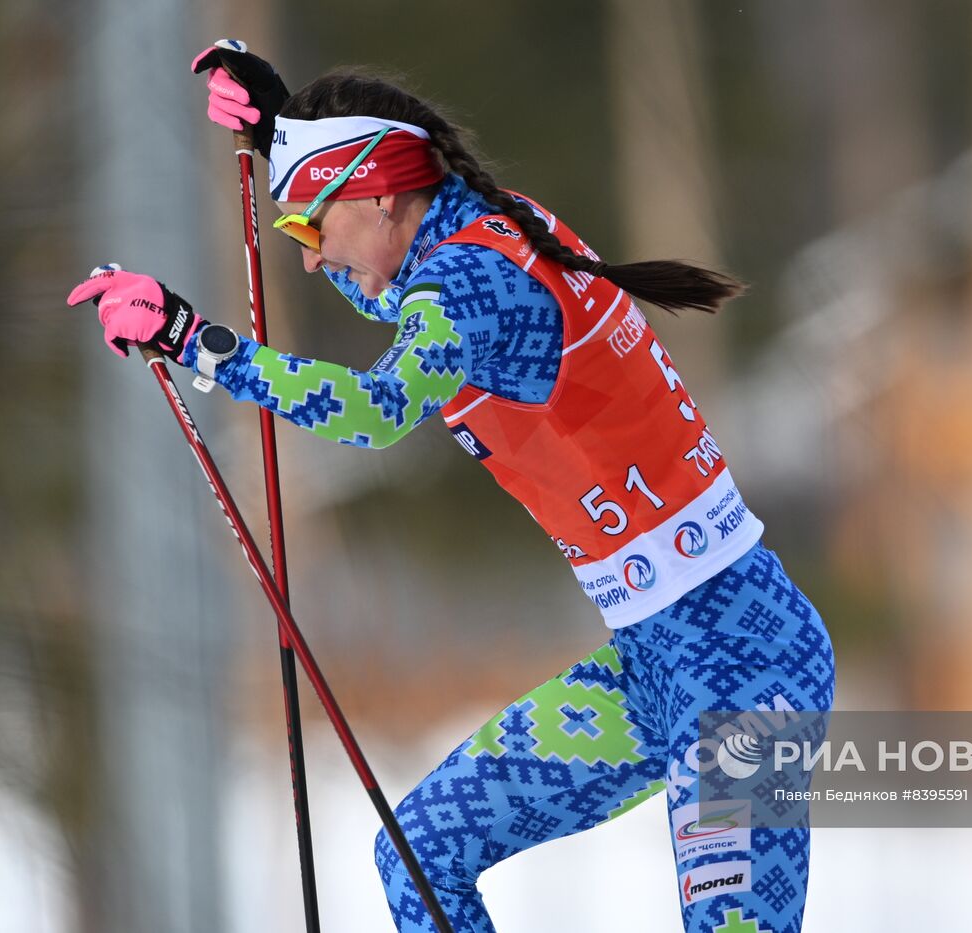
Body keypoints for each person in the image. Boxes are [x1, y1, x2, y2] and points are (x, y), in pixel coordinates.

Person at [65, 40, 836, 933]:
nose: (310, 260)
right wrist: (277, 129)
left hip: (740, 657)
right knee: (421, 853)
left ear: (381, 185)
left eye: (311, 224)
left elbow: (378, 407)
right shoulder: (469, 242)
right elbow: (389, 296)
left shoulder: (470, 283)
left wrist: (200, 344)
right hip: (648, 663)